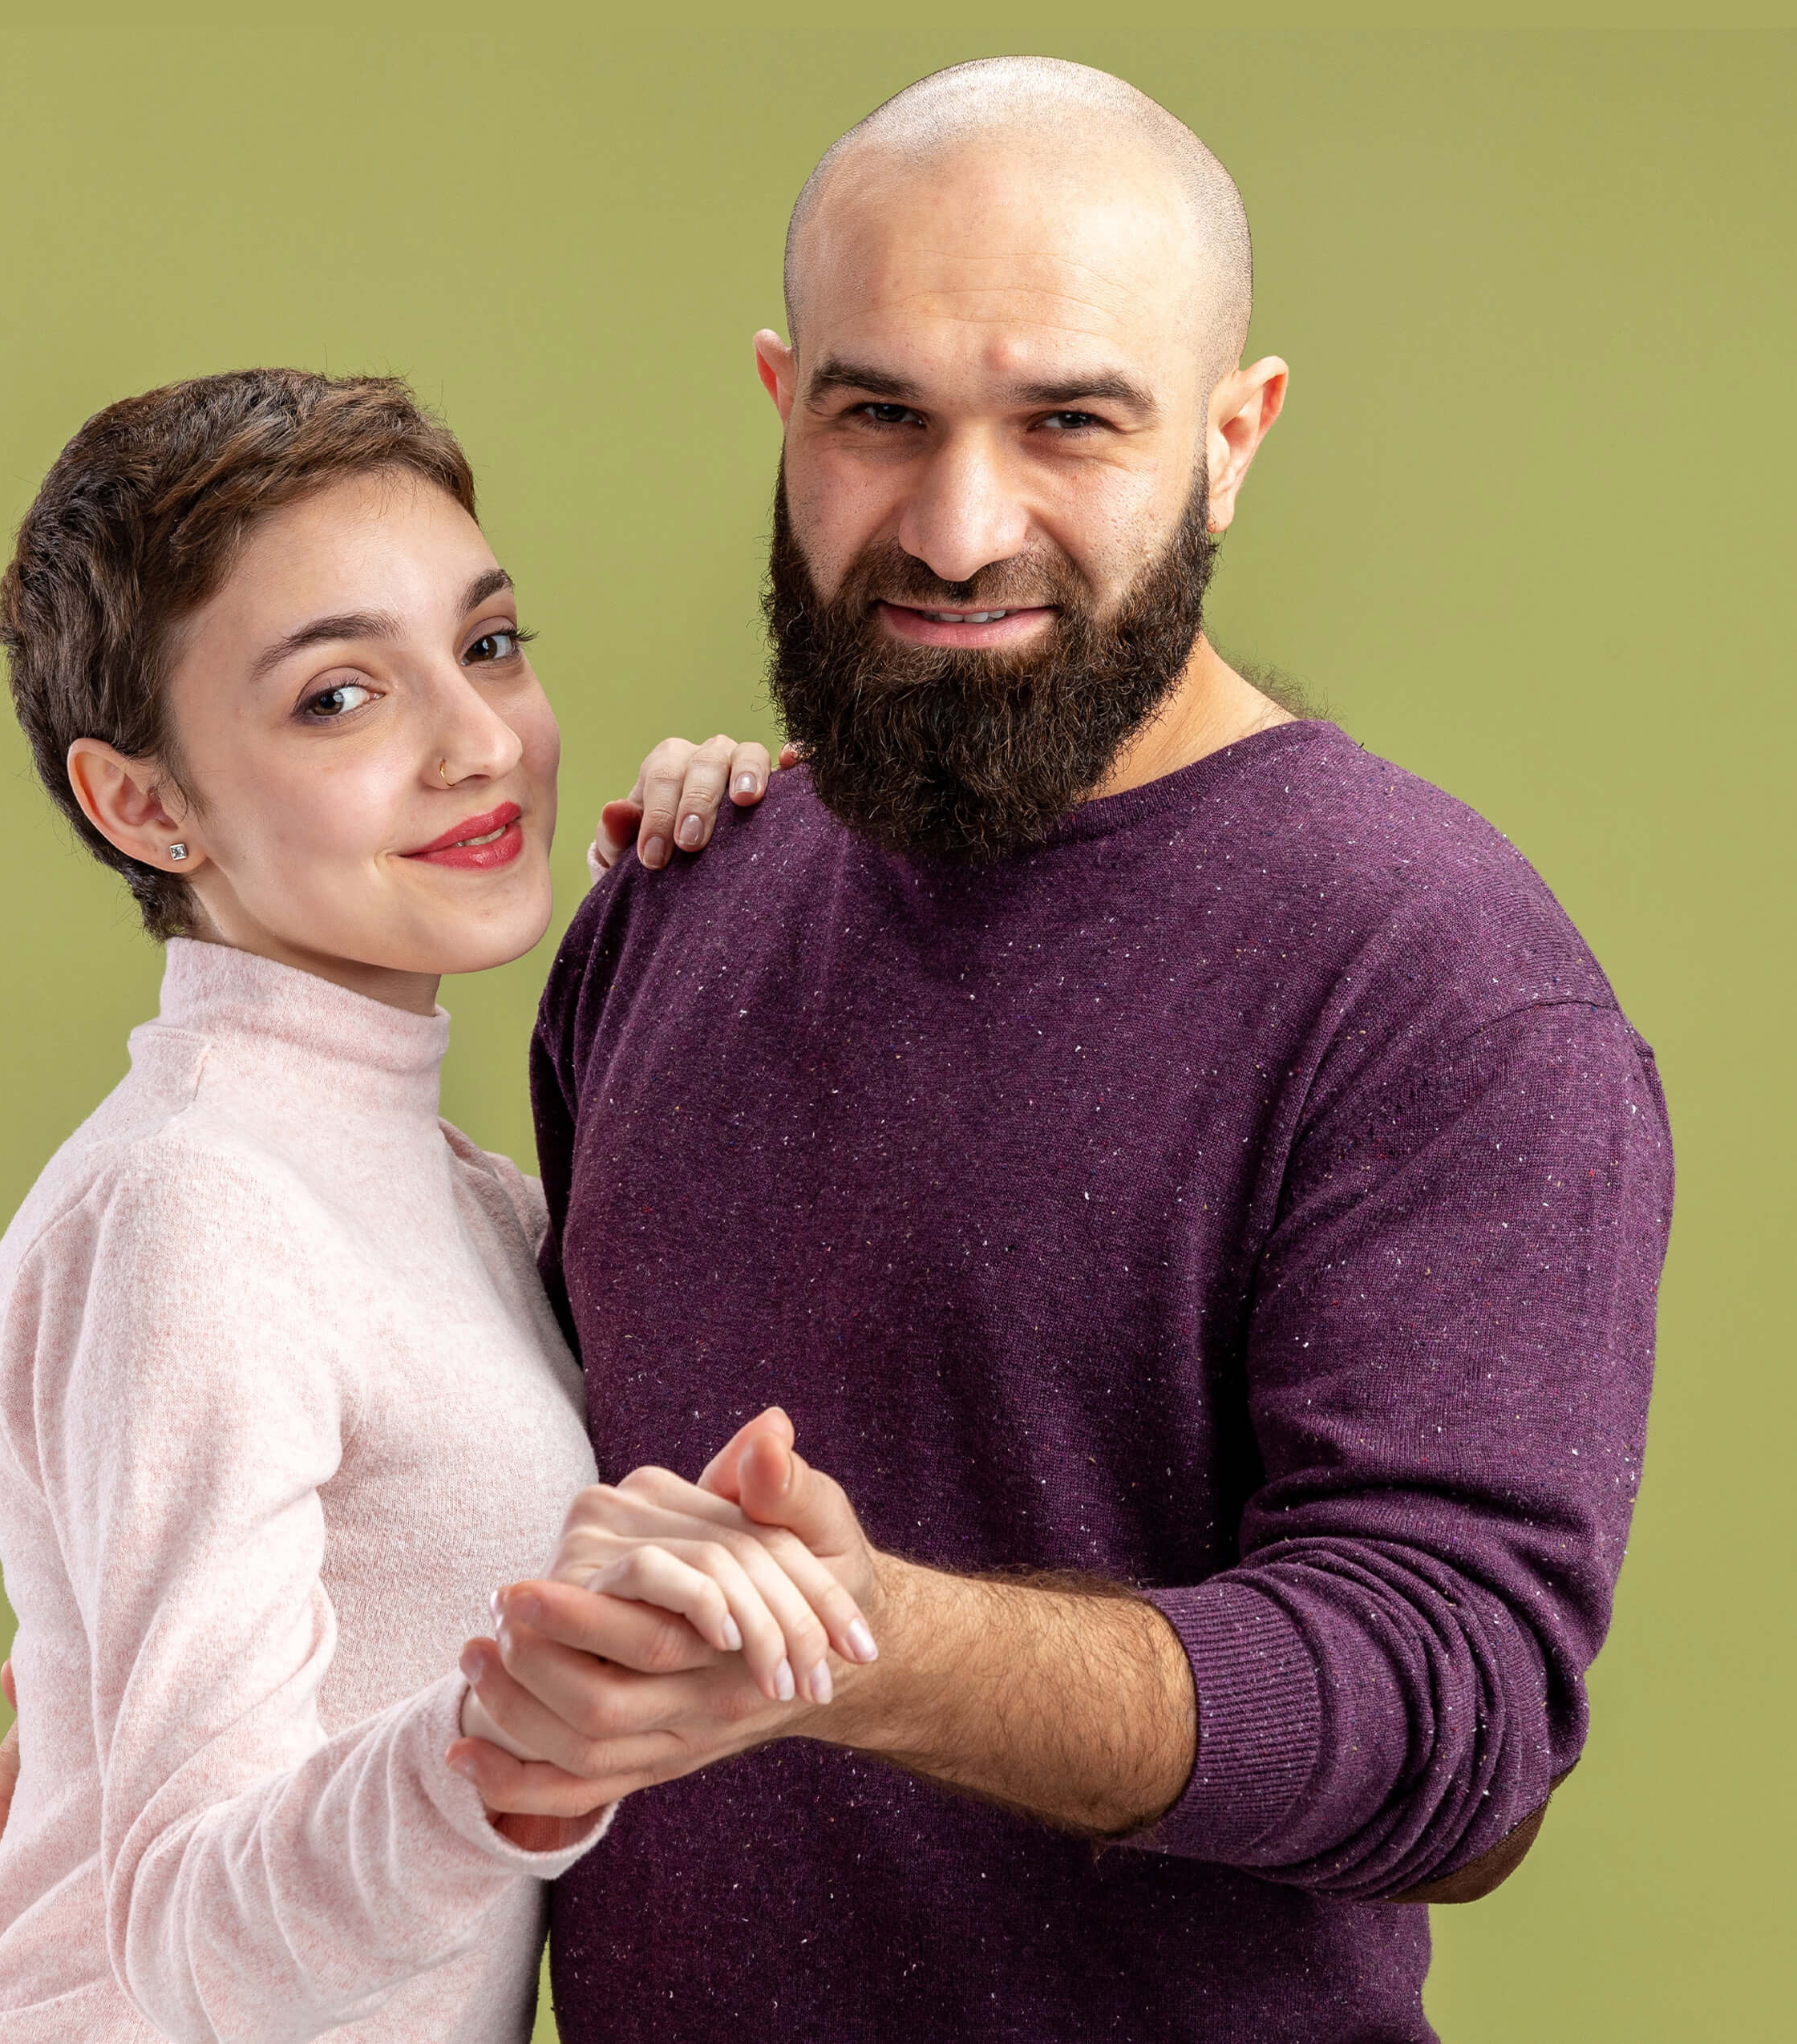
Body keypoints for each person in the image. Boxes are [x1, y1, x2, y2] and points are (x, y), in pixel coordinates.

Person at [444, 57, 1675, 2043]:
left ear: (1231, 437)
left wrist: (854, 1645)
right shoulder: (668, 912)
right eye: (880, 416)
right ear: (784, 405)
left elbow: (1461, 1726)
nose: (954, 524)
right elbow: (534, 1553)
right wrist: (145, 1803)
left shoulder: (1432, 979)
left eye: (1067, 424)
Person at [0, 366, 875, 2044]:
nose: (476, 742)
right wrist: (509, 1748)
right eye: (339, 698)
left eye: (488, 645)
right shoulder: (196, 1208)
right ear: (139, 801)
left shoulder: (450, 1198)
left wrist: (721, 890)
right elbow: (190, 1944)